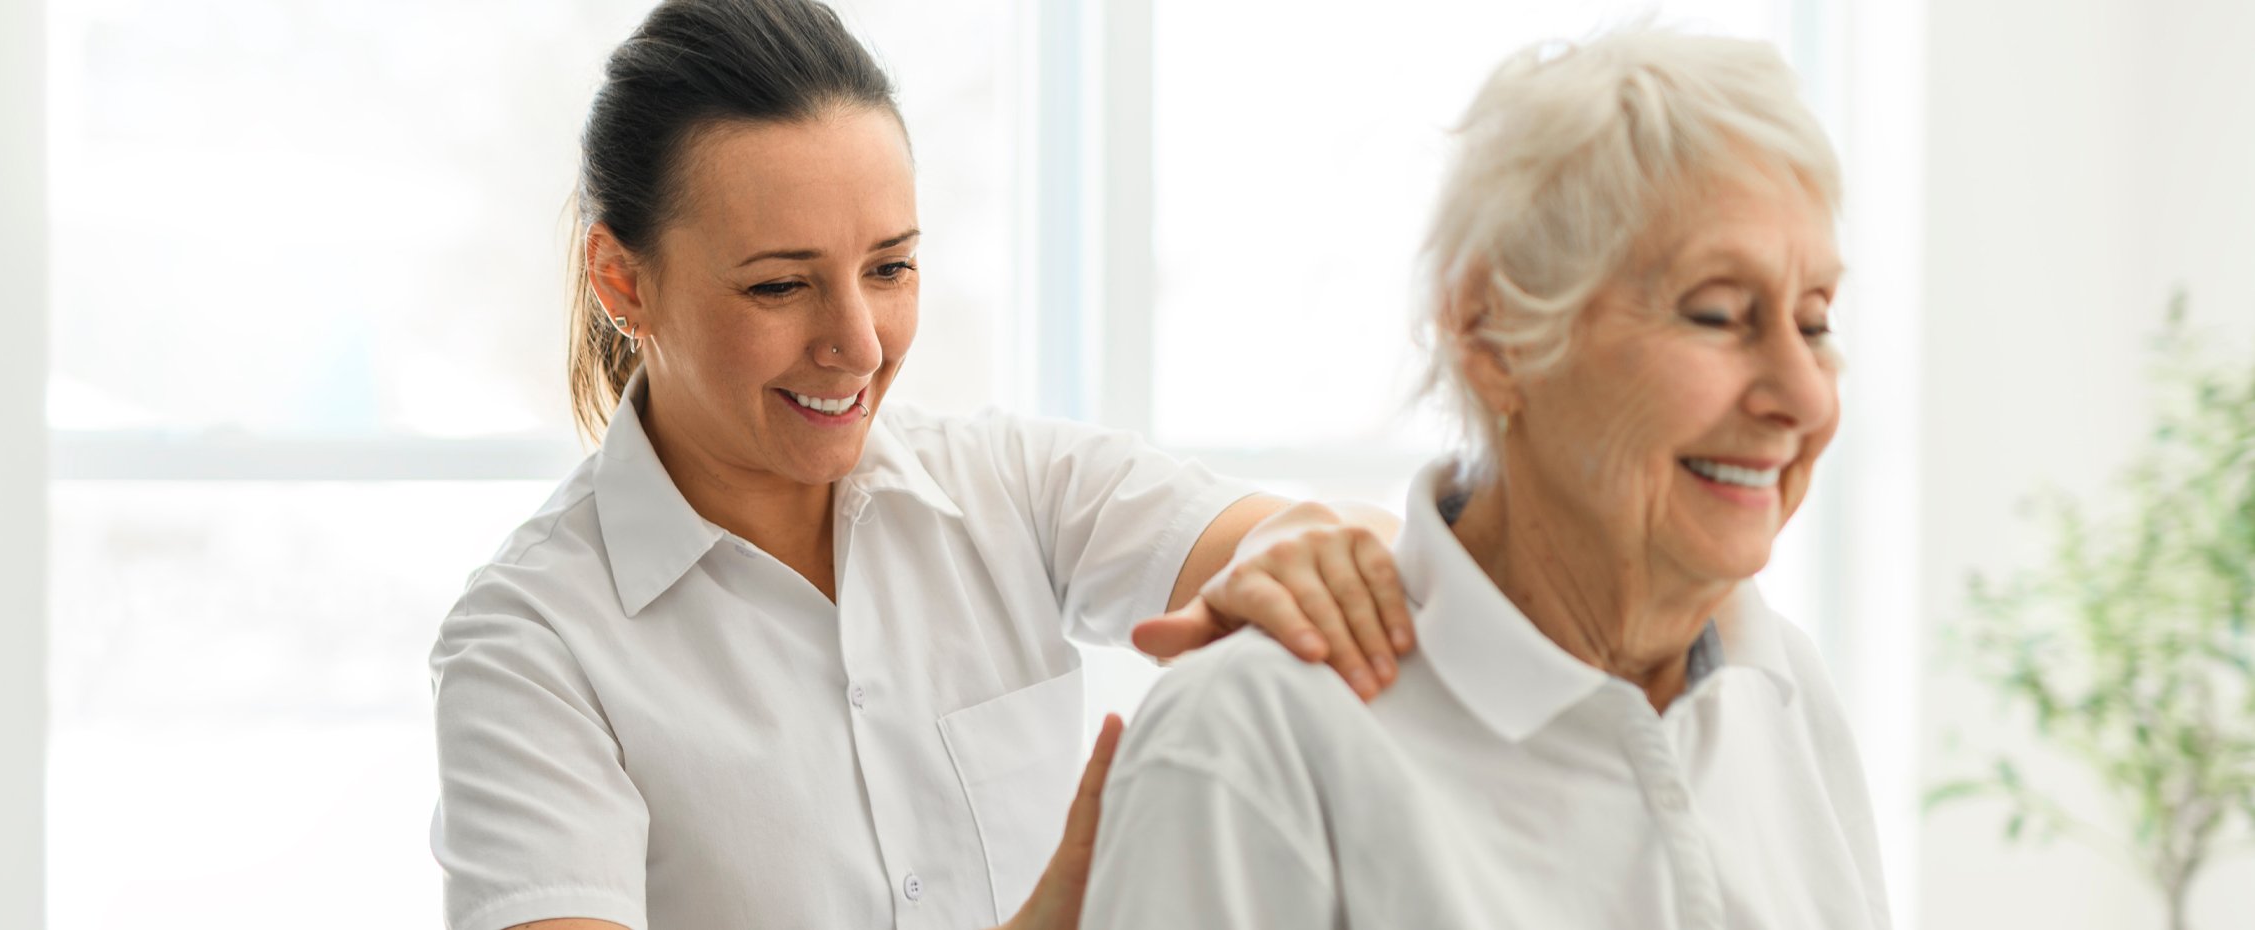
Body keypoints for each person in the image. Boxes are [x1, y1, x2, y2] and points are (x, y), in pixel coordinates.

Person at [428, 3, 1417, 929]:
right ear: (621, 282)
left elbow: (1365, 553)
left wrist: (1316, 566)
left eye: (890, 268)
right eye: (781, 286)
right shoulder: (531, 645)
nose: (860, 345)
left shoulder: (1014, 486)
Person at [1079, 28, 1891, 929]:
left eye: (1815, 323)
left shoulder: (1785, 695)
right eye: (1716, 313)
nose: (1803, 395)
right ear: (1493, 334)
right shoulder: (1251, 741)